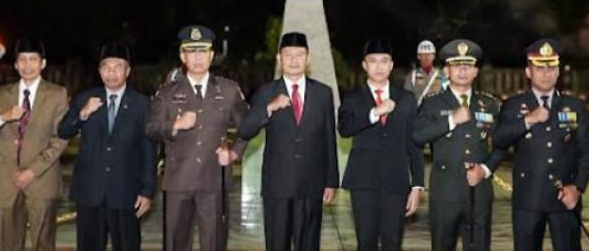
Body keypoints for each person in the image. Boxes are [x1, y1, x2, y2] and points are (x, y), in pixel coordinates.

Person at [147, 25, 248, 251]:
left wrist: (233, 153)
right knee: (175, 243)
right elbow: (151, 128)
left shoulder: (229, 90)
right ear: (183, 56)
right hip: (178, 181)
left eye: (203, 51)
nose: (198, 57)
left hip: (214, 181)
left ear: (212, 55)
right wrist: (175, 125)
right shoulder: (167, 93)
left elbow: (247, 127)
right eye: (191, 52)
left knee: (214, 244)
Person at [237, 31, 339, 251]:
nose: (294, 60)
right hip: (277, 187)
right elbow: (245, 130)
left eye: (299, 55)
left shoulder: (323, 93)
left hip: (311, 185)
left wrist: (331, 180)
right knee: (277, 244)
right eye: (288, 55)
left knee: (309, 244)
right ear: (279, 58)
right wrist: (269, 108)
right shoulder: (266, 92)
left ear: (308, 58)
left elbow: (329, 138)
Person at [493, 39, 589, 251]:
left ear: (558, 72)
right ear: (528, 72)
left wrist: (578, 188)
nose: (546, 73)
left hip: (565, 196)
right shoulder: (513, 105)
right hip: (528, 198)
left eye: (551, 68)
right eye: (539, 68)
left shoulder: (574, 106)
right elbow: (499, 139)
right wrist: (527, 120)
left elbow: (586, 152)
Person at [58, 41, 157, 251]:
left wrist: (148, 191)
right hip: (90, 191)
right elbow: (63, 131)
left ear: (127, 71)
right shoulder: (85, 98)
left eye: (118, 66)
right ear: (99, 71)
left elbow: (149, 150)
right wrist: (83, 113)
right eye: (106, 67)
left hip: (126, 192)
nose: (111, 72)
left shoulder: (142, 104)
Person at [413, 39, 505, 251]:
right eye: (456, 66)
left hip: (479, 192)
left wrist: (486, 169)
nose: (463, 71)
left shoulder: (489, 104)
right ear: (446, 71)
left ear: (475, 72)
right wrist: (451, 121)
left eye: (468, 66)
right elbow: (417, 136)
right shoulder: (433, 103)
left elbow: (501, 144)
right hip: (445, 193)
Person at [0, 39, 69, 251]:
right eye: (22, 60)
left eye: (33, 60)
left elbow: (60, 138)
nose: (28, 65)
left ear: (43, 63)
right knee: (8, 244)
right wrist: (4, 116)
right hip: (6, 180)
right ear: (16, 64)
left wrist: (32, 171)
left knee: (43, 243)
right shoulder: (2, 94)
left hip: (41, 179)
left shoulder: (57, 94)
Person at [339, 39, 424, 251]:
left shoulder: (406, 99)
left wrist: (417, 185)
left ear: (391, 65)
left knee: (393, 243)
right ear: (364, 65)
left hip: (396, 182)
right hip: (363, 181)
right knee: (366, 243)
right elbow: (344, 129)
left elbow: (414, 143)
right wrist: (374, 113)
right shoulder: (352, 97)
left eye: (384, 61)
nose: (379, 66)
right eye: (373, 61)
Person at [403, 40, 443, 105]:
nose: (426, 57)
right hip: (419, 109)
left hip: (437, 108)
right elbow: (406, 97)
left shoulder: (441, 74)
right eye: (423, 54)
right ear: (418, 56)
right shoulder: (412, 75)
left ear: (434, 56)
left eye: (429, 54)